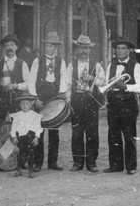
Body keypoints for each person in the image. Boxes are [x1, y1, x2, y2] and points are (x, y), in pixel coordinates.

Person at [103, 36, 140, 175]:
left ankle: (131, 166)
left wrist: (125, 86)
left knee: (129, 134)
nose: (120, 51)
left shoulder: (136, 66)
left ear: (129, 51)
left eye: (123, 49)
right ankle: (115, 165)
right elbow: (108, 83)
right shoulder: (111, 65)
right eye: (118, 48)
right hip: (113, 101)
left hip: (128, 102)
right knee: (113, 134)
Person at [28, 31, 68, 172]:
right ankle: (38, 163)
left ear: (56, 48)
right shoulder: (37, 61)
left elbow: (64, 79)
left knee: (54, 131)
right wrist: (35, 99)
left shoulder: (61, 62)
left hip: (54, 97)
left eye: (52, 46)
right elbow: (31, 81)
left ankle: (53, 162)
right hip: (40, 97)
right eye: (47, 46)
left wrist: (60, 94)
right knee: (38, 132)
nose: (49, 49)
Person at [66, 35, 105, 173]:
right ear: (77, 49)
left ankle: (91, 162)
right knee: (77, 133)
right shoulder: (71, 65)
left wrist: (92, 78)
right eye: (81, 47)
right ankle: (77, 162)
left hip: (91, 101)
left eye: (86, 47)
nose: (83, 50)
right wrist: (68, 102)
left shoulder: (97, 65)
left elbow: (103, 82)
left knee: (92, 133)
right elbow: (67, 85)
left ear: (90, 49)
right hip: (77, 100)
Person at [0, 34, 30, 122]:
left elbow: (28, 84)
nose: (10, 47)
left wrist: (15, 86)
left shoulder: (22, 64)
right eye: (7, 45)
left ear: (16, 47)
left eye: (12, 45)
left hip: (17, 100)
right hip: (0, 100)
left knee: (18, 128)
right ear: (4, 47)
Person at [9, 93, 43, 178]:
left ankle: (30, 171)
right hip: (20, 137)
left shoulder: (35, 115)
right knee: (20, 154)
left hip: (30, 137)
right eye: (22, 104)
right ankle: (19, 170)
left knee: (30, 154)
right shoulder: (17, 115)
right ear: (20, 105)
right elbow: (13, 128)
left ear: (31, 105)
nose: (24, 106)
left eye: (27, 103)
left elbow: (38, 127)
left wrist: (36, 137)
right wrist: (14, 137)